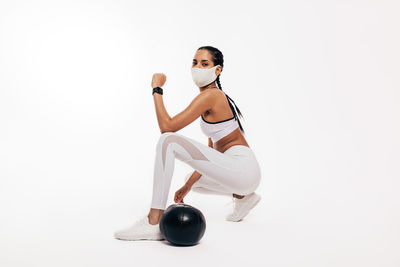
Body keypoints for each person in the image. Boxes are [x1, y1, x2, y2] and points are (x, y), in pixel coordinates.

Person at [114, 46, 262, 241]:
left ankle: (153, 221)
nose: (198, 67)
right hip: (243, 175)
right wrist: (187, 187)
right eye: (194, 62)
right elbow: (210, 151)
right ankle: (244, 197)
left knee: (168, 141)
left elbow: (167, 127)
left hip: (242, 168)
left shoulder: (211, 96)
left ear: (217, 70)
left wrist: (156, 89)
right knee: (193, 182)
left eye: (204, 63)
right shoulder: (212, 97)